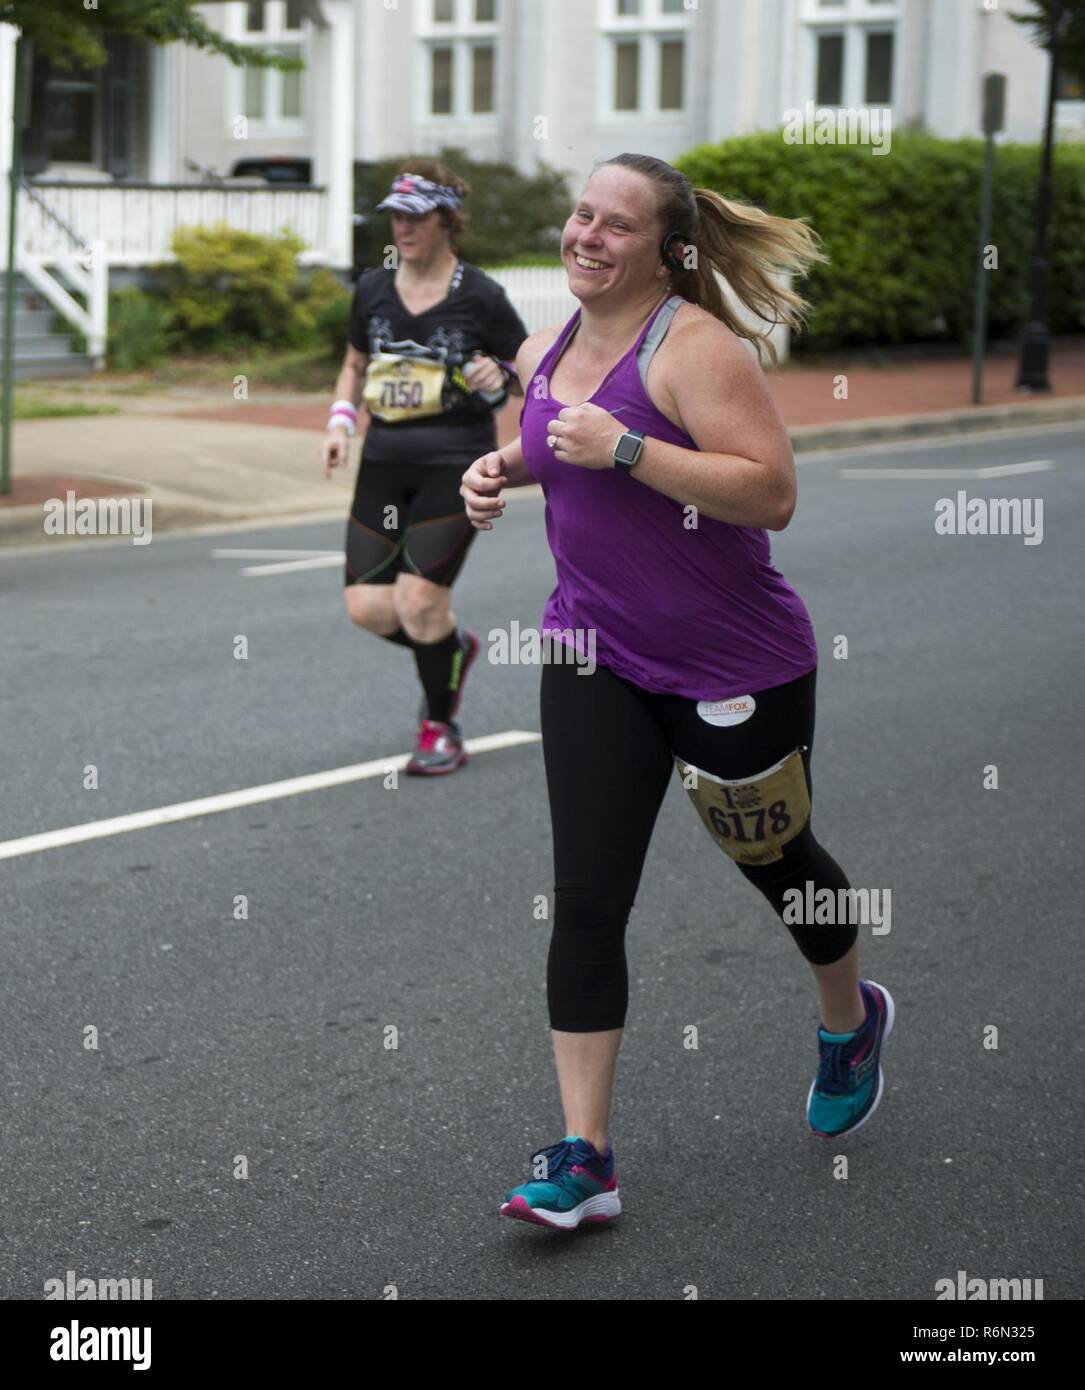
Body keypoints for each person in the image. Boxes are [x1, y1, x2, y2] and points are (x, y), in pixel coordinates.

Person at [461, 153, 896, 1231]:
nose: (586, 236)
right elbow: (555, 442)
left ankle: (847, 1017)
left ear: (667, 250)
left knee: (776, 861)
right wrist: (499, 472)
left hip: (733, 662)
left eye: (616, 225)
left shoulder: (696, 348)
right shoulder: (556, 340)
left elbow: (769, 492)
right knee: (588, 896)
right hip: (593, 653)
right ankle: (585, 1155)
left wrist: (626, 449)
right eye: (579, 214)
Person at [323, 159, 528, 774]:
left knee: (417, 601)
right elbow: (356, 362)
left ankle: (440, 727)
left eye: (416, 216)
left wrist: (504, 375)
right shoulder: (372, 287)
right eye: (395, 215)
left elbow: (530, 373)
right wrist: (339, 419)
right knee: (366, 608)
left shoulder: (482, 296)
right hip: (383, 460)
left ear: (447, 221)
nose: (402, 228)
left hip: (456, 462)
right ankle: (450, 645)